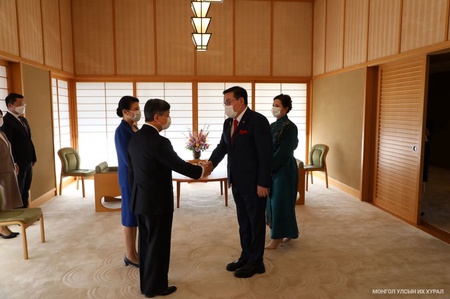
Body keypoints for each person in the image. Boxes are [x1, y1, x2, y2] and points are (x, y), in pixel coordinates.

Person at [127, 98, 212, 298]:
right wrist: (201, 170)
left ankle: (146, 285)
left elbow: (131, 172)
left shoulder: (135, 138)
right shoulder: (159, 141)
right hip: (157, 202)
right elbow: (179, 165)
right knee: (159, 244)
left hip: (140, 199)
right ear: (157, 117)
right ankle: (156, 287)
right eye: (167, 115)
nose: (168, 119)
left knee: (146, 244)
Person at [207, 86, 273, 278]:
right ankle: (246, 255)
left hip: (254, 184)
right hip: (237, 181)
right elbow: (223, 146)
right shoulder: (229, 122)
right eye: (224, 102)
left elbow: (266, 154)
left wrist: (263, 182)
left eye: (228, 102)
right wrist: (210, 163)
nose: (226, 106)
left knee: (255, 222)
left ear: (241, 101)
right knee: (243, 222)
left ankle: (256, 262)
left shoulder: (257, 121)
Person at [265, 94, 299, 250]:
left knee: (280, 202)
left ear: (286, 108)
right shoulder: (272, 125)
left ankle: (276, 237)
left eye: (277, 105)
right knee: (274, 201)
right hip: (272, 167)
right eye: (273, 105)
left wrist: (268, 168)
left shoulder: (290, 127)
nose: (274, 108)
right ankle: (289, 232)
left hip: (284, 169)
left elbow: (284, 151)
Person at [114, 96, 141, 268]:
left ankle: (134, 251)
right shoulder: (122, 130)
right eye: (135, 108)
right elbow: (127, 158)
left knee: (135, 216)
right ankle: (130, 254)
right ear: (125, 111)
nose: (138, 111)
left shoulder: (134, 127)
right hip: (129, 177)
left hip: (137, 177)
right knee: (129, 217)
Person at [0, 93, 36, 208]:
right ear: (10, 106)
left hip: (27, 160)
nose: (23, 106)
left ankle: (26, 211)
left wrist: (33, 157)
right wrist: (14, 162)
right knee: (19, 189)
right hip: (18, 162)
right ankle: (20, 213)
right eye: (19, 104)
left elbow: (28, 140)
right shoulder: (6, 121)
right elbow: (8, 145)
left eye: (23, 103)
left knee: (26, 188)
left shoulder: (22, 119)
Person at [0, 109, 23, 239]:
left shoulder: (2, 133)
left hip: (8, 169)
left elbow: (8, 151)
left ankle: (5, 225)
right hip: (1, 171)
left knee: (7, 199)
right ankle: (1, 228)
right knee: (1, 200)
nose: (1, 119)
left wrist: (14, 163)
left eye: (1, 116)